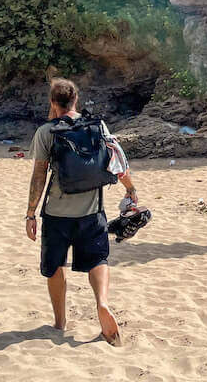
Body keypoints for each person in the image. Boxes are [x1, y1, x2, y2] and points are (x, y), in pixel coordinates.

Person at [25, 78, 139, 343]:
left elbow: (39, 176)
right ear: (75, 99)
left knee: (55, 265)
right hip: (92, 211)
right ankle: (102, 303)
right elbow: (117, 160)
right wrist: (131, 189)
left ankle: (59, 321)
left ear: (53, 102)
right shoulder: (97, 125)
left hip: (56, 214)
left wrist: (30, 213)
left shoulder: (46, 132)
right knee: (98, 260)